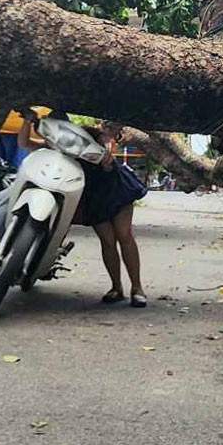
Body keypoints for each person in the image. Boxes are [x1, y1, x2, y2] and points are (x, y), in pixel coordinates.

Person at [75, 121, 147, 306]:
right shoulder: (65, 142)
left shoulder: (98, 135)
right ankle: (116, 288)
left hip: (116, 188)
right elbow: (27, 144)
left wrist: (106, 152)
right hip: (94, 195)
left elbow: (109, 145)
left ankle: (137, 288)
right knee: (107, 241)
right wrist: (30, 120)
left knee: (124, 235)